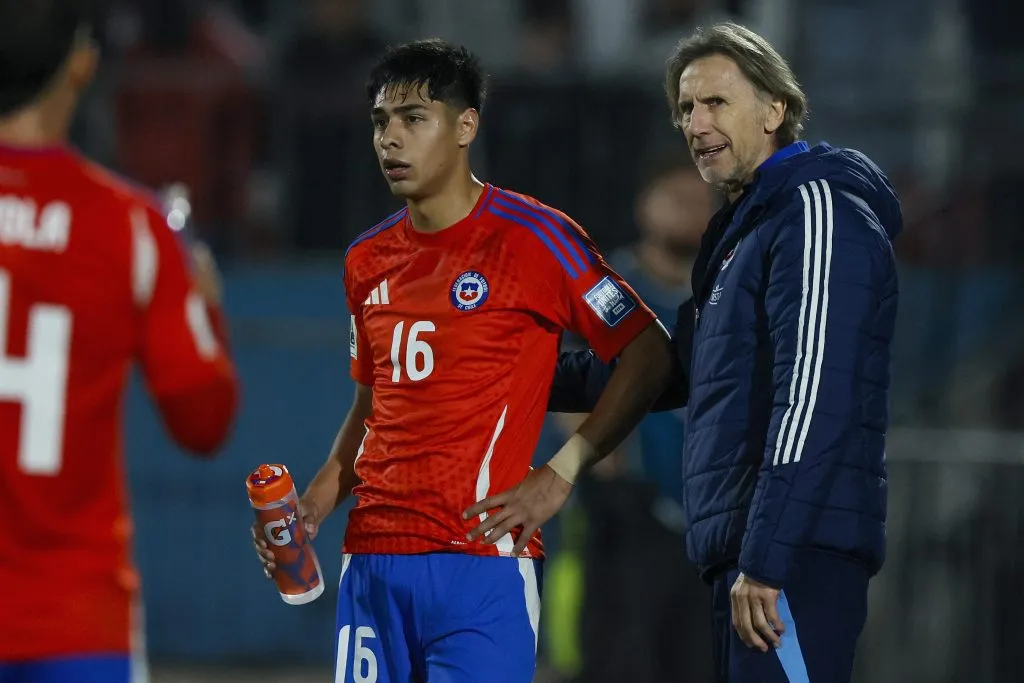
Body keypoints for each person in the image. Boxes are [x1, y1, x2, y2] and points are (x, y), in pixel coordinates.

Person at [252, 39, 673, 683]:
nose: (391, 139)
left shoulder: (537, 238)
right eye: (380, 122)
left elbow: (648, 353)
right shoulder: (365, 260)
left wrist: (561, 473)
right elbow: (371, 408)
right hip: (371, 564)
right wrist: (314, 503)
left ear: (465, 126)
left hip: (482, 567)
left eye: (414, 118)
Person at [549, 21, 901, 683]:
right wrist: (504, 370)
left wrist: (767, 558)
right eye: (686, 107)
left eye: (716, 101)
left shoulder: (813, 209)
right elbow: (666, 371)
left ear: (774, 110)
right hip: (739, 557)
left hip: (787, 560)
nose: (696, 122)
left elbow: (813, 395)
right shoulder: (745, 234)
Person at [0, 2, 240, 682]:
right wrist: (205, 305)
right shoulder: (129, 226)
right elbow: (203, 419)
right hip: (76, 623)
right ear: (81, 62)